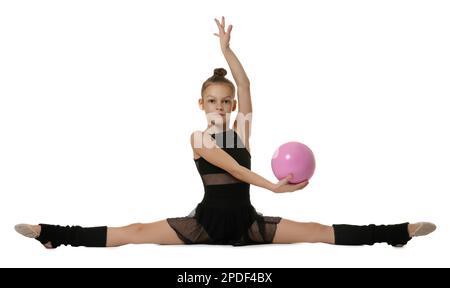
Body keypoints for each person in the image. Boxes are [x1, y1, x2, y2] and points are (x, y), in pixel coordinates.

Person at [15, 16, 435, 249]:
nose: (220, 107)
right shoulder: (199, 141)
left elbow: (248, 86)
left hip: (248, 224)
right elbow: (235, 171)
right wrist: (272, 187)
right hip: (205, 224)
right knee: (134, 233)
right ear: (202, 105)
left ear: (232, 106)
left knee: (318, 232)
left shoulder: (242, 130)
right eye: (212, 101)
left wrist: (226, 51)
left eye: (225, 102)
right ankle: (52, 235)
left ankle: (397, 235)